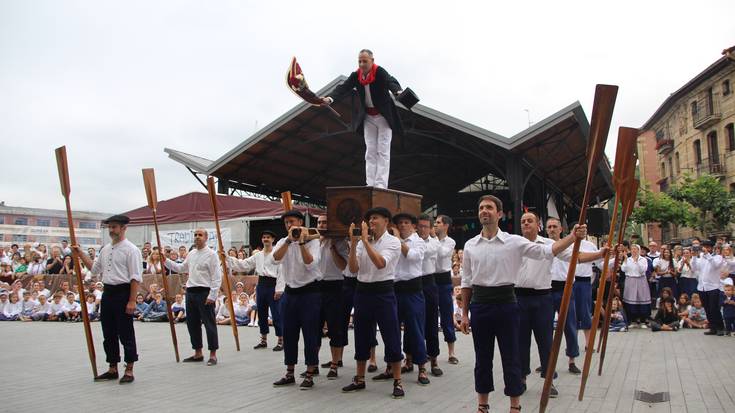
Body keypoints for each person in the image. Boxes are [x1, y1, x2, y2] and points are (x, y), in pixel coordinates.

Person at [459, 195, 587, 413]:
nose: (484, 211)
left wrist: (573, 237)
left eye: (489, 207)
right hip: (480, 306)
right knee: (482, 358)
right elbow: (466, 281)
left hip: (508, 303)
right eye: (481, 207)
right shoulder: (470, 245)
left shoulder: (514, 242)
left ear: (499, 214)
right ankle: (482, 404)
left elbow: (547, 251)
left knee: (512, 356)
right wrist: (464, 313)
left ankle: (515, 405)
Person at [515, 212, 605, 397]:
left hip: (543, 297)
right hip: (519, 298)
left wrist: (600, 253)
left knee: (546, 341)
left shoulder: (550, 245)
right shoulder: (513, 243)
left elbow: (576, 257)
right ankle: (521, 378)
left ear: (538, 224)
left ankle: (549, 380)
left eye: (530, 220)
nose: (526, 223)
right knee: (520, 341)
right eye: (523, 221)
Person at [341, 207, 405, 399]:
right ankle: (360, 378)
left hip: (384, 291)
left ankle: (397, 380)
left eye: (375, 218)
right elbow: (353, 269)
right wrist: (353, 245)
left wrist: (364, 242)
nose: (371, 222)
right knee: (361, 334)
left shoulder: (393, 242)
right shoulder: (361, 242)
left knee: (391, 334)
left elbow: (380, 263)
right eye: (369, 219)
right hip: (362, 291)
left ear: (386, 221)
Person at [73, 214, 142, 384]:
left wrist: (132, 300)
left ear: (124, 228)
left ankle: (129, 368)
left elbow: (135, 277)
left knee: (125, 332)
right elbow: (94, 269)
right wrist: (81, 254)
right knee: (108, 332)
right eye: (110, 227)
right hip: (108, 293)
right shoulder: (105, 249)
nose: (111, 230)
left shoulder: (131, 250)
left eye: (115, 227)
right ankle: (112, 367)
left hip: (124, 292)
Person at [321, 49, 404, 188]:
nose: (361, 64)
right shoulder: (356, 76)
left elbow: (391, 81)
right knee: (370, 151)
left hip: (383, 116)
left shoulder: (380, 72)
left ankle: (381, 185)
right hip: (368, 117)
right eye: (359, 61)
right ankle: (370, 184)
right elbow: (343, 87)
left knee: (382, 150)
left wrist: (397, 91)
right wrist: (330, 98)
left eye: (365, 61)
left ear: (372, 61)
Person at [270, 210, 323, 390]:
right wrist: (288, 240)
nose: (288, 225)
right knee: (289, 334)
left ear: (300, 222)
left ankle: (309, 372)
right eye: (286, 223)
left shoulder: (314, 241)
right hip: (290, 293)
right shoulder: (282, 242)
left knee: (310, 334)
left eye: (291, 221)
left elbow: (310, 263)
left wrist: (301, 243)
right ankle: (290, 372)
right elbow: (275, 259)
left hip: (310, 292)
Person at [376, 212, 430, 385]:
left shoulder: (419, 241)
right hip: (394, 288)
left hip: (413, 289)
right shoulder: (391, 242)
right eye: (400, 223)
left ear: (413, 226)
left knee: (415, 329)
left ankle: (422, 367)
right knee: (391, 329)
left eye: (406, 222)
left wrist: (398, 240)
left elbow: (412, 256)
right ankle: (391, 366)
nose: (403, 225)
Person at [164, 228, 222, 366]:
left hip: (205, 291)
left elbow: (216, 277)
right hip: (191, 291)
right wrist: (165, 260)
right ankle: (198, 352)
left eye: (200, 235)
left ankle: (213, 354)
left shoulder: (212, 254)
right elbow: (181, 268)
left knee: (209, 324)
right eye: (195, 235)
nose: (197, 237)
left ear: (206, 237)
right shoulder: (191, 253)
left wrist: (213, 295)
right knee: (192, 323)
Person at [229, 230, 285, 352]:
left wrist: (279, 289)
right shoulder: (258, 255)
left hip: (273, 284)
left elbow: (282, 272)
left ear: (273, 239)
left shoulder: (277, 253)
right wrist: (228, 259)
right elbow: (243, 264)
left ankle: (281, 340)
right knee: (262, 314)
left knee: (276, 314)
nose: (265, 239)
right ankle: (263, 340)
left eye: (268, 237)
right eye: (264, 237)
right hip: (262, 285)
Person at [545, 217, 582, 374]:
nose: (552, 229)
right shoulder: (541, 245)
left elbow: (580, 257)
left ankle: (572, 359)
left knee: (570, 325)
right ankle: (545, 360)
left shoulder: (570, 244)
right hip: (546, 289)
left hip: (566, 288)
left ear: (561, 229)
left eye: (555, 226)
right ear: (546, 230)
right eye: (549, 227)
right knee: (545, 328)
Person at [316, 215, 349, 379]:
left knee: (335, 328)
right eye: (319, 222)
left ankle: (335, 364)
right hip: (316, 287)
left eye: (325, 222)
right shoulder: (313, 241)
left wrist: (333, 247)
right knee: (314, 328)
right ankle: (312, 364)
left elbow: (344, 266)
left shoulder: (341, 241)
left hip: (335, 286)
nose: (322, 225)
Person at [416, 214, 443, 376]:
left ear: (431, 228)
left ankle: (433, 359)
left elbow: (423, 252)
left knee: (431, 322)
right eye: (420, 226)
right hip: (412, 283)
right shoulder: (410, 241)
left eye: (426, 226)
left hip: (428, 282)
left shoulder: (434, 243)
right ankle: (410, 358)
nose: (423, 229)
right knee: (413, 323)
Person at [434, 214, 459, 364]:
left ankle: (451, 352)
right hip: (429, 280)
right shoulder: (429, 240)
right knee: (428, 318)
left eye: (438, 223)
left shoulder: (450, 242)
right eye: (435, 223)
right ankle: (431, 353)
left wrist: (433, 239)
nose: (435, 225)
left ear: (446, 225)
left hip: (443, 282)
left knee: (446, 317)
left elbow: (442, 254)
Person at [692, 240, 726, 335]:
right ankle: (713, 327)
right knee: (707, 308)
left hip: (713, 287)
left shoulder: (718, 257)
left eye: (707, 247)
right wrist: (694, 256)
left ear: (711, 248)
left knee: (714, 308)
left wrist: (707, 254)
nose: (704, 249)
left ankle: (720, 327)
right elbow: (694, 268)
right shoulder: (701, 257)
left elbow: (715, 265)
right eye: (704, 247)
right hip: (702, 287)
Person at [621, 244, 652, 328]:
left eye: (635, 249)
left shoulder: (643, 259)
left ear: (638, 250)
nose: (634, 251)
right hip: (630, 280)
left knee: (642, 299)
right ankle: (633, 320)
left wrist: (637, 261)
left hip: (640, 280)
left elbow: (642, 270)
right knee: (630, 300)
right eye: (632, 249)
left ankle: (643, 321)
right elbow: (623, 269)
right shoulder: (628, 259)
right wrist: (626, 260)